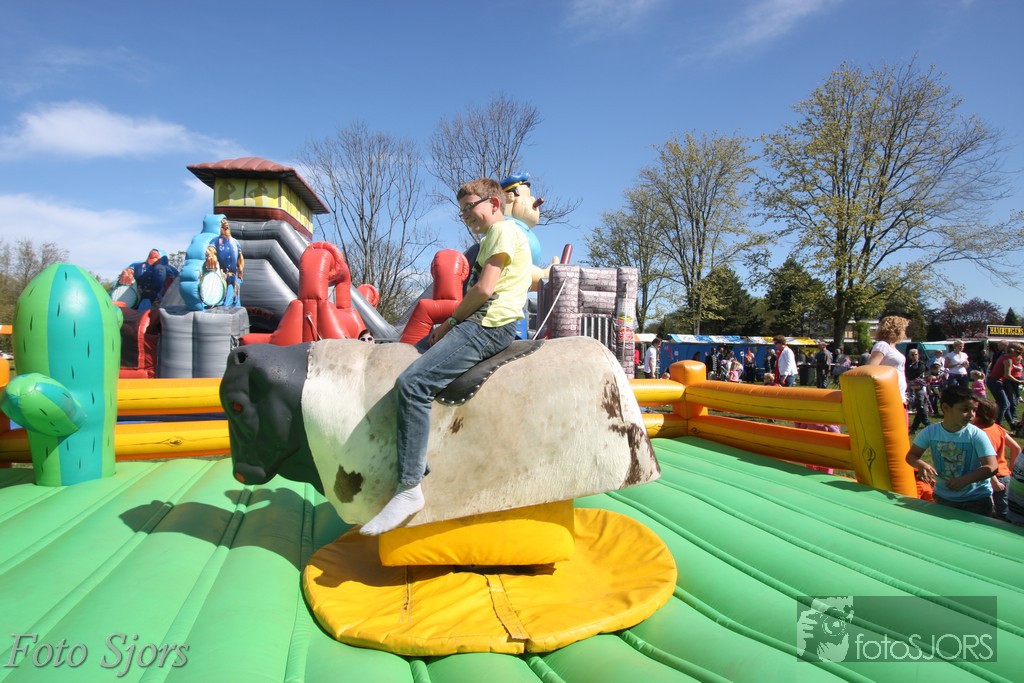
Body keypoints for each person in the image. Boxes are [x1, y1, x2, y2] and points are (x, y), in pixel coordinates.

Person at [360, 178, 532, 535]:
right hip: (485, 321)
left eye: (470, 207)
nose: (466, 215)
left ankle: (409, 487)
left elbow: (484, 289)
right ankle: (416, 454)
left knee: (413, 384)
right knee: (412, 356)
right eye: (462, 211)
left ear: (494, 204)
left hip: (488, 324)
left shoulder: (501, 232)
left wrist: (452, 322)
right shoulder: (500, 235)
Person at [906, 385, 997, 517]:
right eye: (965, 409)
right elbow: (911, 456)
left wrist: (965, 480)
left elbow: (992, 467)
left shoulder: (976, 435)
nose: (971, 415)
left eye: (974, 410)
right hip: (944, 497)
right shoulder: (931, 432)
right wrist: (921, 465)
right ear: (946, 408)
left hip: (976, 499)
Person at [972, 397, 1020, 520]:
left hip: (992, 478)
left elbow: (984, 461)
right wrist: (1011, 470)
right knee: (1005, 509)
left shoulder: (979, 434)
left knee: (1001, 514)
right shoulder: (997, 428)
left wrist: (994, 481)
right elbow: (1016, 448)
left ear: (977, 414)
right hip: (1005, 475)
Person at [866, 316, 909, 412]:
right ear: (896, 330)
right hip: (889, 398)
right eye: (903, 329)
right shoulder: (883, 345)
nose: (904, 333)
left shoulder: (892, 347)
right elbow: (869, 369)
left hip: (899, 397)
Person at [986, 341, 1022, 430]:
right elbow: (1007, 375)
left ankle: (1011, 424)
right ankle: (998, 425)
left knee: (1005, 403)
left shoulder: (1004, 356)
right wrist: (1019, 381)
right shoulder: (1008, 360)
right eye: (1018, 352)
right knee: (1004, 404)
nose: (1019, 355)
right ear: (1013, 351)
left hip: (995, 381)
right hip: (994, 381)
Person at [211, 217, 244, 306]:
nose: (225, 225)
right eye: (223, 225)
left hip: (234, 275)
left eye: (227, 225)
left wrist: (240, 269)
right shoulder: (216, 240)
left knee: (234, 297)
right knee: (224, 299)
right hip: (221, 276)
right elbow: (211, 250)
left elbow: (240, 257)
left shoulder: (235, 242)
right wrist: (211, 256)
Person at [905, 348, 931, 433]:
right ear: (909, 356)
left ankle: (927, 424)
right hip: (911, 387)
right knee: (919, 407)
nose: (914, 356)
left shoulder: (921, 363)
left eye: (915, 354)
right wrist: (911, 378)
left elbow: (920, 371)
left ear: (918, 355)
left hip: (920, 387)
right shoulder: (908, 364)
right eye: (912, 355)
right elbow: (906, 373)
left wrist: (912, 378)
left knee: (921, 406)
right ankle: (915, 427)